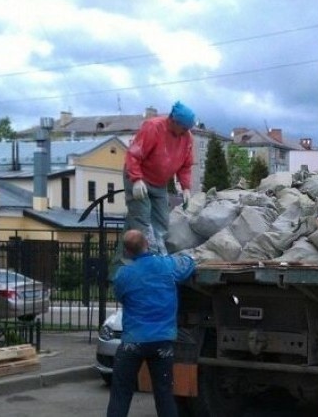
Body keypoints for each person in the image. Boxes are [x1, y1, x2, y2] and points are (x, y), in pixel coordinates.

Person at [107, 229, 196, 417]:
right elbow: (188, 264)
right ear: (147, 243)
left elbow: (120, 296)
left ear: (127, 251)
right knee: (164, 394)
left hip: (134, 342)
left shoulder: (124, 274)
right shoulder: (166, 266)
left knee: (120, 394)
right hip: (162, 341)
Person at [123, 101, 196, 255]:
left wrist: (186, 188)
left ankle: (146, 256)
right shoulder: (153, 127)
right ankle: (151, 258)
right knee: (142, 221)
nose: (185, 132)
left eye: (187, 129)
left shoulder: (186, 137)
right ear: (173, 121)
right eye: (183, 128)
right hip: (139, 178)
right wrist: (136, 179)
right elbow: (134, 154)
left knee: (162, 221)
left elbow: (185, 165)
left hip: (159, 183)